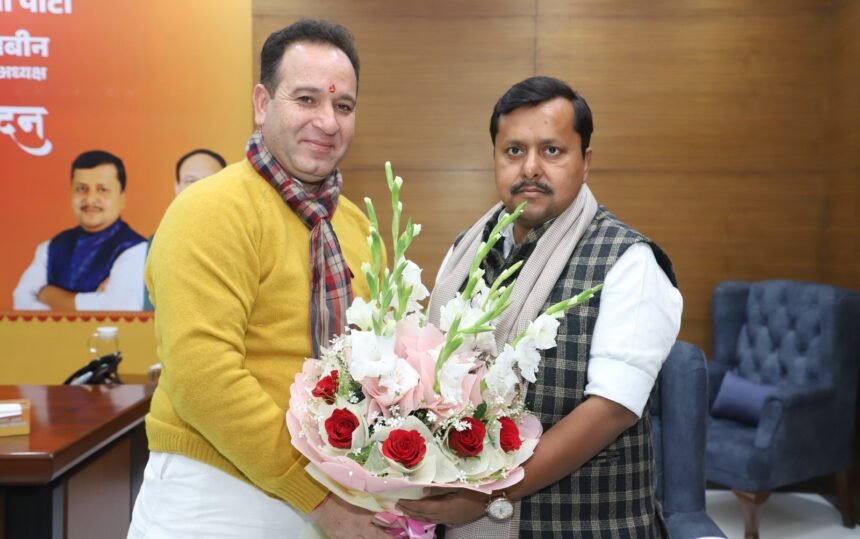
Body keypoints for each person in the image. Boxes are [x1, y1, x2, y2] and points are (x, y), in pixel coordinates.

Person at [128, 19, 389, 539]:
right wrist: (317, 498)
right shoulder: (210, 210)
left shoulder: (356, 227)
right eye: (307, 99)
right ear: (262, 104)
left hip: (331, 493)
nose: (327, 121)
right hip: (214, 493)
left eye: (343, 106)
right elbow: (204, 378)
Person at [398, 76, 683, 538]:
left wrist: (487, 494)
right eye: (514, 151)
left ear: (585, 162)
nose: (530, 168)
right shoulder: (464, 251)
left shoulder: (629, 262)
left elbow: (612, 409)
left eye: (552, 150)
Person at [13, 150, 147, 311]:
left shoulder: (137, 250)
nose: (90, 199)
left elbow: (116, 309)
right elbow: (22, 301)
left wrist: (46, 293)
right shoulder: (51, 247)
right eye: (81, 189)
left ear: (122, 198)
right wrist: (92, 301)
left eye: (102, 190)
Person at [141, 148, 226, 310]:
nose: (199, 189)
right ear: (177, 187)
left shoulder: (246, 241)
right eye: (190, 181)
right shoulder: (151, 246)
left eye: (211, 180)